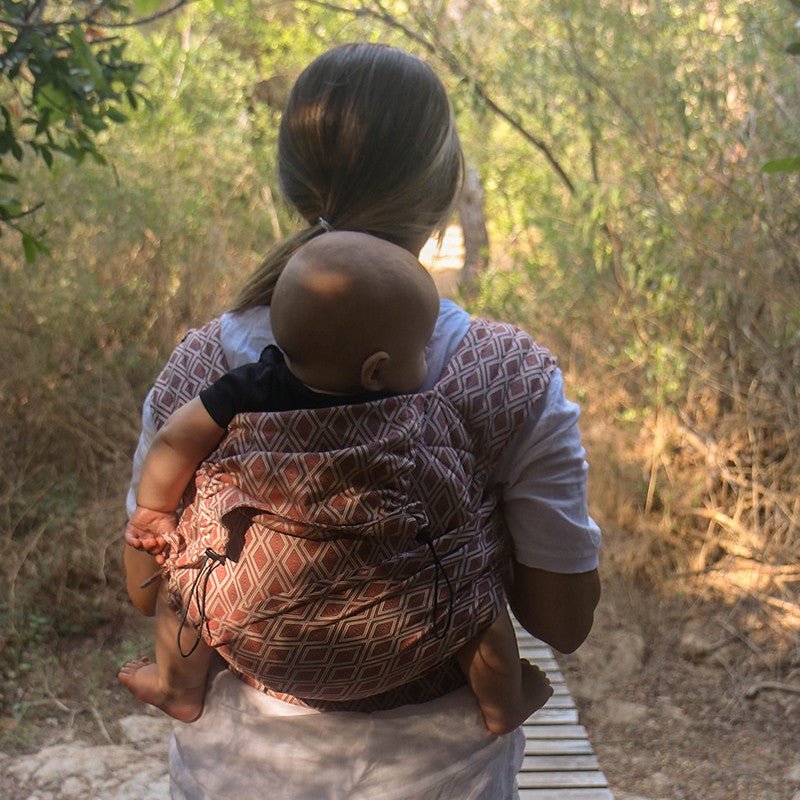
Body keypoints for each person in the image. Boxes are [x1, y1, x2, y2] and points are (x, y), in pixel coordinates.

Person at [124, 43, 601, 800]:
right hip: (445, 774)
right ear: (443, 185)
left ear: (290, 184)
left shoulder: (200, 373)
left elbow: (151, 587)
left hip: (236, 773)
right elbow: (565, 622)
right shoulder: (510, 376)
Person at [120, 230, 553, 733]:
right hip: (404, 631)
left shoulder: (246, 388)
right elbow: (454, 504)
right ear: (376, 370)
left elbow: (174, 442)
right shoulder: (419, 416)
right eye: (422, 349)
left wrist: (154, 509)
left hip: (251, 618)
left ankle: (178, 686)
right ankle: (502, 704)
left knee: (186, 581)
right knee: (475, 592)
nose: (428, 359)